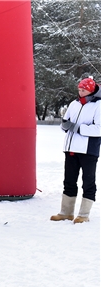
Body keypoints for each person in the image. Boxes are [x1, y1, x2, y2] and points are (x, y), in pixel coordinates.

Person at [51, 77, 101, 224]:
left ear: (91, 90)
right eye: (79, 89)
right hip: (71, 148)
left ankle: (84, 214)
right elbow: (65, 123)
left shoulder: (98, 105)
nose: (80, 92)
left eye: (83, 90)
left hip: (88, 150)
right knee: (69, 180)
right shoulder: (74, 104)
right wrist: (64, 125)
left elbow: (99, 129)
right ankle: (66, 212)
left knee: (88, 182)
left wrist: (77, 128)